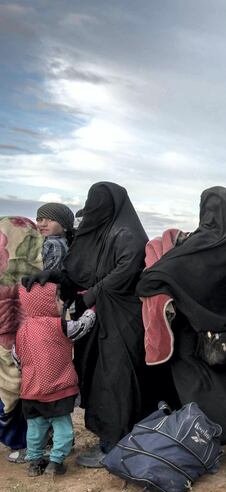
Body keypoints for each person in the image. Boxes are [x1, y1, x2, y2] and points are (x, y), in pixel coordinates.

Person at [25, 182, 149, 467]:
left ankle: (116, 443)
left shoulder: (127, 235)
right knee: (93, 373)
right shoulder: (96, 236)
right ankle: (107, 436)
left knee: (114, 378)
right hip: (94, 318)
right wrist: (54, 278)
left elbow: (125, 272)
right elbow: (80, 273)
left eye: (97, 202)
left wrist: (92, 293)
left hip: (121, 319)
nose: (92, 208)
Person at [137, 186, 226, 445]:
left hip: (198, 331)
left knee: (198, 385)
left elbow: (156, 276)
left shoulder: (203, 242)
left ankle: (207, 436)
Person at [15, 282, 95, 476]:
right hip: (58, 390)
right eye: (57, 299)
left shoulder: (22, 331)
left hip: (31, 391)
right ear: (45, 304)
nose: (61, 303)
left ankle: (34, 462)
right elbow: (81, 327)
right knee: (63, 428)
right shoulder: (59, 325)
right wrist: (92, 309)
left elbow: (17, 359)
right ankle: (56, 462)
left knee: (35, 429)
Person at [1, 216, 44, 463]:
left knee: (9, 387)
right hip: (32, 337)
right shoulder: (40, 265)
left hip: (12, 339)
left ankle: (20, 440)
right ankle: (24, 440)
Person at [35, 203, 74, 271]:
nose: (43, 224)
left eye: (51, 219)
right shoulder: (66, 243)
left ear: (64, 226)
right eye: (40, 220)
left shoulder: (54, 244)